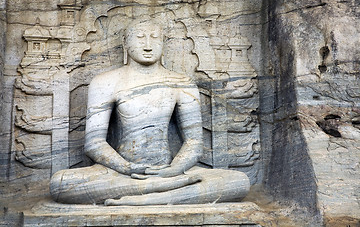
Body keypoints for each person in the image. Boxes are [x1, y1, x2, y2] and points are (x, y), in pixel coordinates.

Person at [50, 19, 250, 205]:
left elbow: (194, 143)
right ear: (125, 44)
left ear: (164, 44)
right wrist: (127, 168)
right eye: (139, 37)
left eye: (154, 38)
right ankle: (164, 192)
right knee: (60, 184)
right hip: (120, 173)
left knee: (238, 181)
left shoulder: (181, 83)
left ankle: (142, 198)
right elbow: (94, 144)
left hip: (171, 171)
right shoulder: (105, 82)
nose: (148, 44)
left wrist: (173, 170)